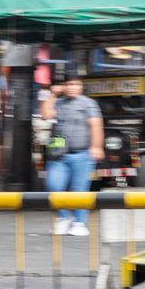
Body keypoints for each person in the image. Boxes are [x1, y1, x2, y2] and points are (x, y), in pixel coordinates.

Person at [42, 77, 104, 236]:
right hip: (58, 153)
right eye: (68, 84)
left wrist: (96, 147)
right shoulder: (58, 102)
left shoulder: (88, 103)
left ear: (81, 86)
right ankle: (63, 218)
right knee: (54, 185)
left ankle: (79, 222)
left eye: (75, 84)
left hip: (82, 153)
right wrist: (52, 95)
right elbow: (45, 114)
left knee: (79, 189)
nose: (71, 87)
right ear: (63, 86)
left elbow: (96, 125)